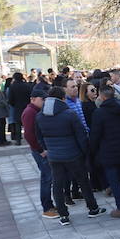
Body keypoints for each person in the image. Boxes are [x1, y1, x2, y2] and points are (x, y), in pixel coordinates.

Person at [35, 87, 105, 224]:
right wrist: (84, 152)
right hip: (73, 154)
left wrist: (48, 149)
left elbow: (39, 137)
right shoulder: (69, 114)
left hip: (54, 156)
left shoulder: (40, 116)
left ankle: (63, 215)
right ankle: (93, 208)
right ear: (63, 99)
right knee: (83, 181)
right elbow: (81, 135)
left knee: (57, 185)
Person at [88, 83, 120, 217]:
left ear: (102, 97)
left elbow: (95, 135)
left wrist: (92, 151)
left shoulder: (99, 113)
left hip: (108, 152)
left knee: (114, 182)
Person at [21, 91, 56, 219]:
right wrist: (41, 150)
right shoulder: (30, 112)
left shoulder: (35, 110)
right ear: (33, 99)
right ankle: (47, 208)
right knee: (46, 178)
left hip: (41, 149)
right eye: (42, 99)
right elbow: (29, 135)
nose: (44, 101)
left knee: (48, 177)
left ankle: (49, 205)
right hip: (39, 151)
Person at [6, 72, 32, 144]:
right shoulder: (26, 85)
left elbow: (10, 99)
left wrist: (13, 104)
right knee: (27, 124)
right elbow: (30, 95)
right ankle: (29, 138)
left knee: (18, 124)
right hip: (26, 106)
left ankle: (18, 140)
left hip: (17, 107)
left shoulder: (12, 86)